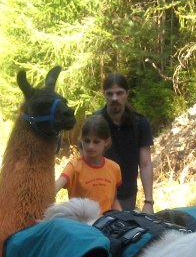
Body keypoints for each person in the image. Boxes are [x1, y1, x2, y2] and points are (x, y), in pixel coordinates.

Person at [95, 73, 155, 213]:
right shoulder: (95, 122)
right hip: (97, 194)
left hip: (127, 195)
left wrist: (149, 202)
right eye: (110, 94)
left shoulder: (140, 123)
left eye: (119, 93)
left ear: (127, 94)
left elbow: (145, 164)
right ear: (104, 95)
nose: (114, 98)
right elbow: (84, 160)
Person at [55, 115, 122, 213]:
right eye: (87, 141)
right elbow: (54, 188)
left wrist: (122, 217)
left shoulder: (114, 168)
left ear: (107, 142)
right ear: (81, 140)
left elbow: (113, 200)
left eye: (96, 142)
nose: (90, 146)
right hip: (81, 225)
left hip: (106, 224)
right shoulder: (73, 167)